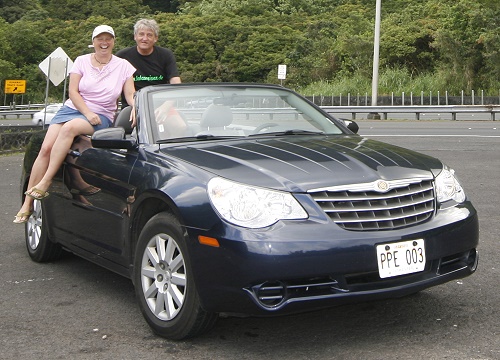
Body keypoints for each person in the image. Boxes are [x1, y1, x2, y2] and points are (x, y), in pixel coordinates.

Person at [13, 25, 136, 224]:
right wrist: (86, 112)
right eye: (100, 39)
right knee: (45, 147)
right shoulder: (81, 61)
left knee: (70, 128)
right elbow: (73, 92)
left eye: (108, 39)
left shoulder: (123, 65)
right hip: (74, 108)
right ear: (94, 41)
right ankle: (27, 204)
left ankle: (45, 182)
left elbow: (130, 94)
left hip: (100, 115)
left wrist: (136, 106)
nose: (104, 43)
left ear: (113, 41)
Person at [116, 18, 181, 94]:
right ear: (135, 36)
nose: (145, 38)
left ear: (155, 38)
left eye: (149, 35)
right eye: (141, 34)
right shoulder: (122, 56)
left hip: (161, 100)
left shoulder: (165, 55)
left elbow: (175, 81)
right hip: (132, 102)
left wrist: (170, 103)